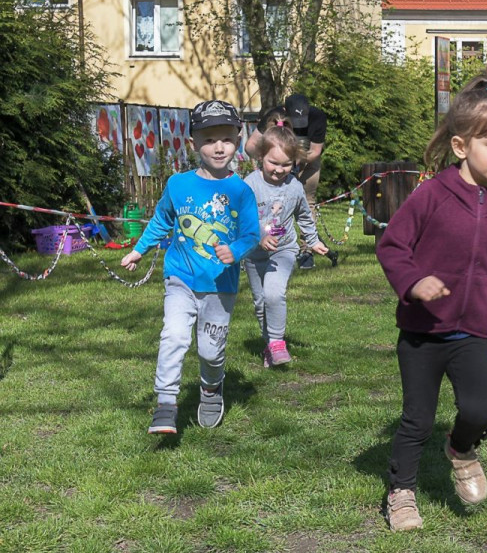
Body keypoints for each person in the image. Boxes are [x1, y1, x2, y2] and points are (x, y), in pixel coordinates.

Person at [375, 74, 487, 531]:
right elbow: (392, 246)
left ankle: (460, 449)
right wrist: (413, 282)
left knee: (479, 410)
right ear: (461, 146)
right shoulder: (432, 195)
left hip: (471, 331)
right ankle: (401, 492)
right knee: (417, 420)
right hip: (422, 332)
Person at [120, 101, 261, 434]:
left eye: (226, 139)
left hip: (220, 284)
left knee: (211, 352)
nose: (219, 147)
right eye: (209, 139)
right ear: (193, 143)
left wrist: (235, 250)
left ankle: (211, 388)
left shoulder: (241, 191)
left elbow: (252, 234)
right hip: (180, 278)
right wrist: (139, 250)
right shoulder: (178, 185)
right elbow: (161, 220)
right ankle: (166, 403)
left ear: (238, 140)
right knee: (173, 335)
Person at [242, 124, 330, 368]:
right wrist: (259, 236)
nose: (279, 170)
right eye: (274, 163)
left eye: (286, 165)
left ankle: (277, 342)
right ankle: (269, 345)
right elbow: (243, 219)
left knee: (274, 293)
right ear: (261, 157)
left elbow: (304, 215)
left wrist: (313, 241)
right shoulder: (250, 185)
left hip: (284, 250)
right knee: (261, 303)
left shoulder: (294, 187)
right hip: (254, 254)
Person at [246, 94, 332, 270]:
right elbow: (250, 145)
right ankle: (258, 242)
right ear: (285, 111)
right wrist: (268, 163)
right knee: (267, 203)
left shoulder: (318, 117)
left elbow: (315, 151)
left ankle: (306, 249)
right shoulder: (274, 116)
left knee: (306, 201)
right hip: (279, 158)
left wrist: (294, 162)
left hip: (306, 158)